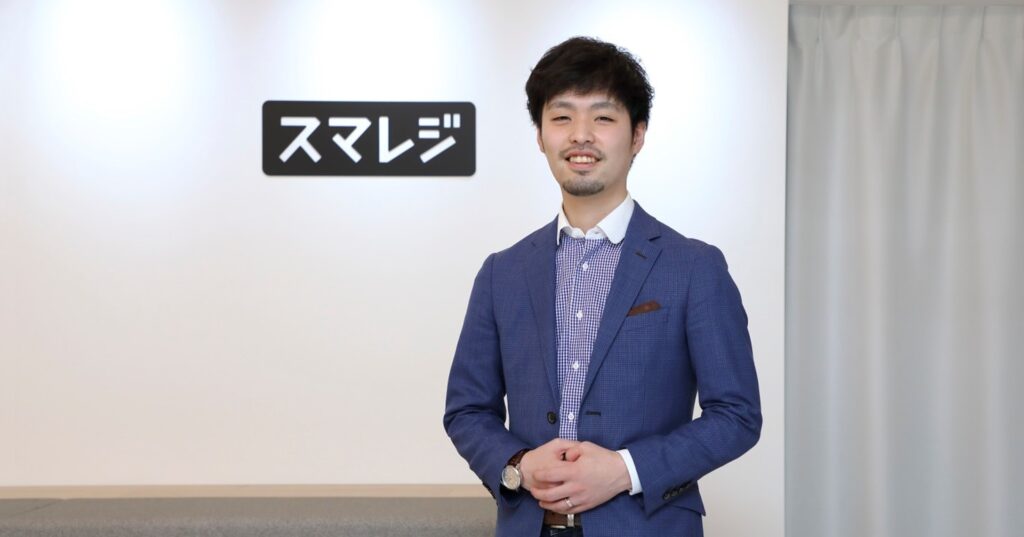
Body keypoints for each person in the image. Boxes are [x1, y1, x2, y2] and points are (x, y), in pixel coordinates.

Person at [443, 36, 761, 537]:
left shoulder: (694, 267)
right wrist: (518, 466)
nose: (581, 135)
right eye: (561, 117)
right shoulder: (502, 273)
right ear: (540, 135)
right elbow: (466, 410)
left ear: (637, 136)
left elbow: (737, 414)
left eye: (603, 117)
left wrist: (625, 470)